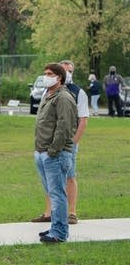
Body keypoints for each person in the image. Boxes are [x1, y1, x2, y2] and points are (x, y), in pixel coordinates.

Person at [31, 60, 89, 226]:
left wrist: (71, 144)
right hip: (47, 147)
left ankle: (71, 213)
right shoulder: (48, 92)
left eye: (69, 70)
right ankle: (49, 212)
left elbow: (80, 122)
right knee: (51, 182)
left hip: (64, 145)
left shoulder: (76, 93)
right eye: (64, 69)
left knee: (69, 177)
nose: (67, 72)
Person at [33, 63, 76, 243]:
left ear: (59, 77)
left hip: (55, 155)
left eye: (49, 74)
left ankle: (59, 233)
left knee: (58, 194)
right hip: (42, 152)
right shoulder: (48, 94)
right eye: (45, 73)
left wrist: (52, 151)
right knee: (53, 193)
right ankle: (55, 227)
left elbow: (64, 127)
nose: (46, 76)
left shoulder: (64, 97)